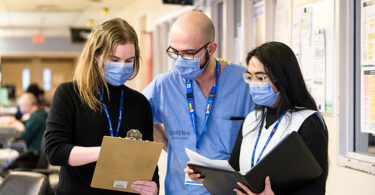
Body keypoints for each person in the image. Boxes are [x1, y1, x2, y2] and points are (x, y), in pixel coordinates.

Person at [185, 41, 328, 195]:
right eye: (250, 77)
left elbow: (316, 188)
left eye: (260, 78)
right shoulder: (252, 119)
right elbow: (235, 170)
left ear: (283, 78)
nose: (253, 84)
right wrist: (207, 174)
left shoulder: (307, 121)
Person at [143, 11, 254, 194]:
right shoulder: (164, 85)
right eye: (175, 52)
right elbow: (141, 116)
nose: (179, 60)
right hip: (181, 189)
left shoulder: (244, 82)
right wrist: (170, 147)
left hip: (230, 190)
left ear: (211, 49)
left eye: (188, 53)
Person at [43, 18, 158, 195]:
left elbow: (148, 161)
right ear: (96, 56)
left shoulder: (139, 103)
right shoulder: (69, 94)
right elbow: (55, 151)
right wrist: (107, 151)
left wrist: (153, 187)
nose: (122, 66)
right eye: (114, 59)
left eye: (129, 60)